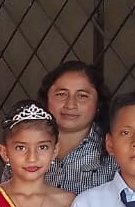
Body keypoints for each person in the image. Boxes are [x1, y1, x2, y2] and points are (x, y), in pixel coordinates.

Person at [14, 61, 118, 193]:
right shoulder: (22, 144)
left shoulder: (114, 152)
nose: (70, 104)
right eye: (61, 94)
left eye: (82, 96)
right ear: (46, 99)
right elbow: (3, 198)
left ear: (98, 104)